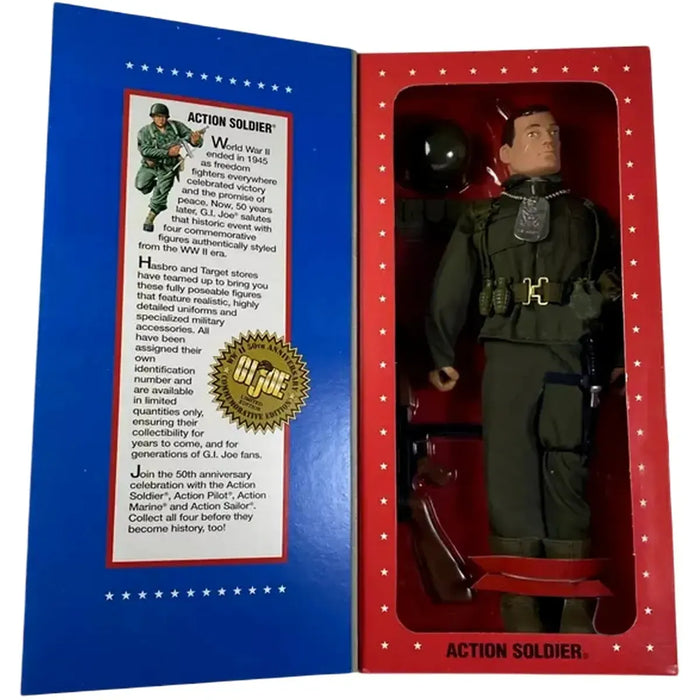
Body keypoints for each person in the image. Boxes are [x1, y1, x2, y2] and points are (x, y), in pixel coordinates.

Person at [425, 105, 624, 633]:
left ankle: (576, 614)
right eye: (533, 133)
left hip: (569, 355)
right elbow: (451, 288)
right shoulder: (482, 219)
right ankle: (521, 615)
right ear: (506, 153)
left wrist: (620, 355)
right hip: (507, 356)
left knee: (567, 474)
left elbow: (625, 286)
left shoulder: (590, 216)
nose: (548, 140)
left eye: (553, 132)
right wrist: (442, 353)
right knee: (509, 478)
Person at [135, 103, 203, 231]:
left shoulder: (176, 127)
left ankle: (150, 218)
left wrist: (196, 141)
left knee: (161, 193)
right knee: (141, 185)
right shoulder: (144, 132)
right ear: (153, 117)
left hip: (168, 167)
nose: (161, 119)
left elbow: (191, 137)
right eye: (158, 116)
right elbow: (145, 150)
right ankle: (156, 185)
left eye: (163, 116)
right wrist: (167, 152)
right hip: (150, 166)